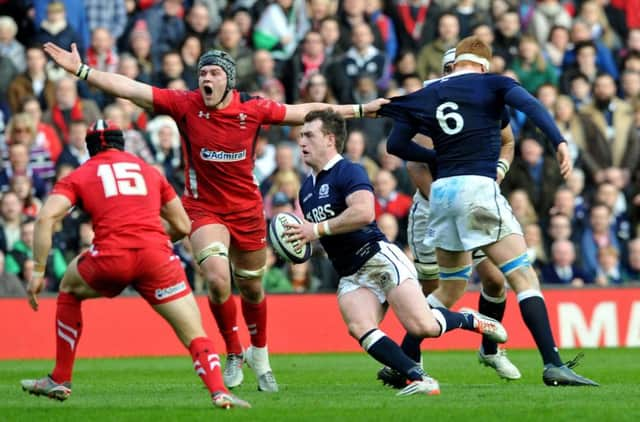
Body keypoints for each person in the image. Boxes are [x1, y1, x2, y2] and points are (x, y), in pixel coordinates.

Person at [42, 41, 387, 392]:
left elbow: (307, 112)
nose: (206, 78)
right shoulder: (185, 104)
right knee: (218, 279)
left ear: (229, 81)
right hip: (203, 208)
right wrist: (82, 71)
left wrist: (360, 109)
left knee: (252, 287)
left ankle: (260, 354)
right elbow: (130, 89)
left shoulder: (252, 108)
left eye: (214, 73)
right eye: (202, 72)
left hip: (248, 211)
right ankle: (234, 351)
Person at [380, 36, 598, 387]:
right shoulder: (492, 83)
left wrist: (440, 158)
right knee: (523, 276)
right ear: (484, 64)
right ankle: (553, 363)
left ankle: (402, 362)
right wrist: (558, 140)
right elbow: (533, 106)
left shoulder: (429, 91)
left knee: (448, 290)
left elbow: (395, 144)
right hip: (477, 189)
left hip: (443, 195)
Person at [20, 120, 250, 409]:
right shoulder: (149, 171)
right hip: (157, 258)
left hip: (110, 257)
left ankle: (61, 378)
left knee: (68, 288)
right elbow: (182, 224)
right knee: (194, 332)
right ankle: (219, 391)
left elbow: (45, 218)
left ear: (89, 148)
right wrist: (152, 239)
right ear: (122, 142)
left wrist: (39, 271)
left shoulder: (80, 175)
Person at [285, 109, 509, 396]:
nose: (300, 140)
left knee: (423, 327)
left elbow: (364, 212)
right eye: (300, 135)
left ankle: (471, 319)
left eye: (308, 135)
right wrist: (298, 243)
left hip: (378, 257)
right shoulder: (306, 189)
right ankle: (419, 378)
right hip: (350, 272)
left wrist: (314, 231)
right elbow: (325, 233)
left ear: (329, 139)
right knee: (359, 326)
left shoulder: (348, 170)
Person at [378, 48, 521, 388]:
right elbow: (416, 167)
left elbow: (507, 140)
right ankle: (412, 362)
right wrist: (450, 203)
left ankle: (490, 348)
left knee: (495, 280)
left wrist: (497, 172)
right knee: (434, 292)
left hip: (471, 205)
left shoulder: (479, 104)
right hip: (433, 211)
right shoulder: (432, 104)